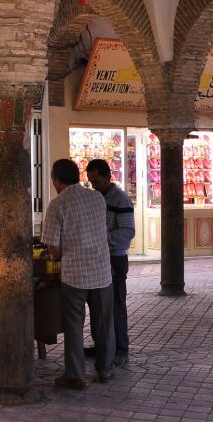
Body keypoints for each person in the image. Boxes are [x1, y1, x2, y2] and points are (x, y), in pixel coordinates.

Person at [41, 158, 114, 389]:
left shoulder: (57, 205)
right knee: (103, 325)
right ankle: (106, 370)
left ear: (56, 180)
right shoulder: (97, 198)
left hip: (74, 275)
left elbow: (53, 249)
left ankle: (75, 376)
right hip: (101, 271)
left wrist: (59, 253)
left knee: (74, 326)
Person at [85, 158, 134, 369]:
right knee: (99, 306)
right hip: (98, 257)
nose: (94, 186)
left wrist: (105, 237)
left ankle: (121, 349)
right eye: (90, 182)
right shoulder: (95, 198)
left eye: (97, 181)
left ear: (108, 177)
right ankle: (103, 346)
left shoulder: (120, 200)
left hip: (115, 257)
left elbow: (128, 232)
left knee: (115, 305)